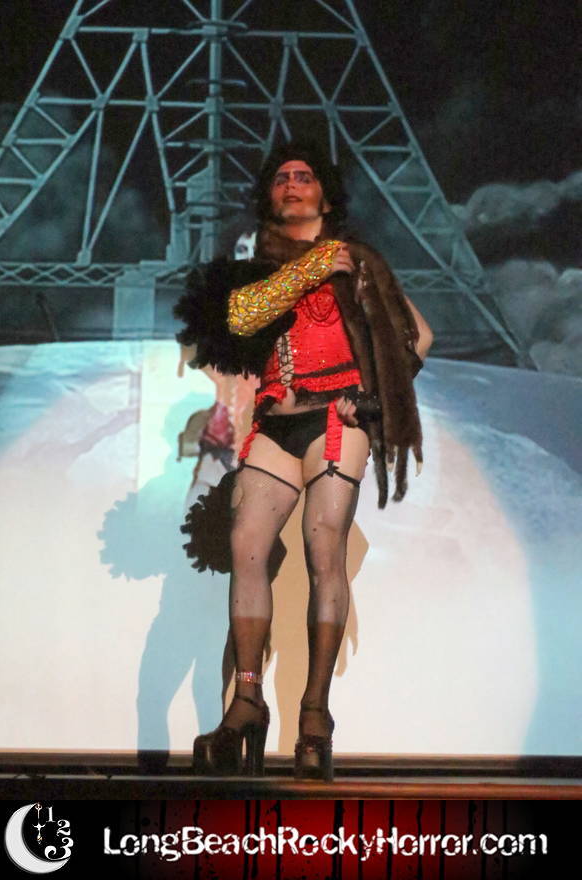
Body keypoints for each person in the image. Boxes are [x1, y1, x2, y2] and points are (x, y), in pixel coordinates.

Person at [174, 140, 433, 780]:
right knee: (247, 544)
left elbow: (417, 337)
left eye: (305, 176)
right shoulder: (257, 269)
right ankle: (247, 702)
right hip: (276, 420)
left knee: (324, 548)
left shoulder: (358, 260)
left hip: (337, 420)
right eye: (282, 177)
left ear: (324, 193)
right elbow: (241, 319)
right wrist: (314, 265)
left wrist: (372, 399)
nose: (292, 184)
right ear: (269, 194)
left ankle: (315, 716)